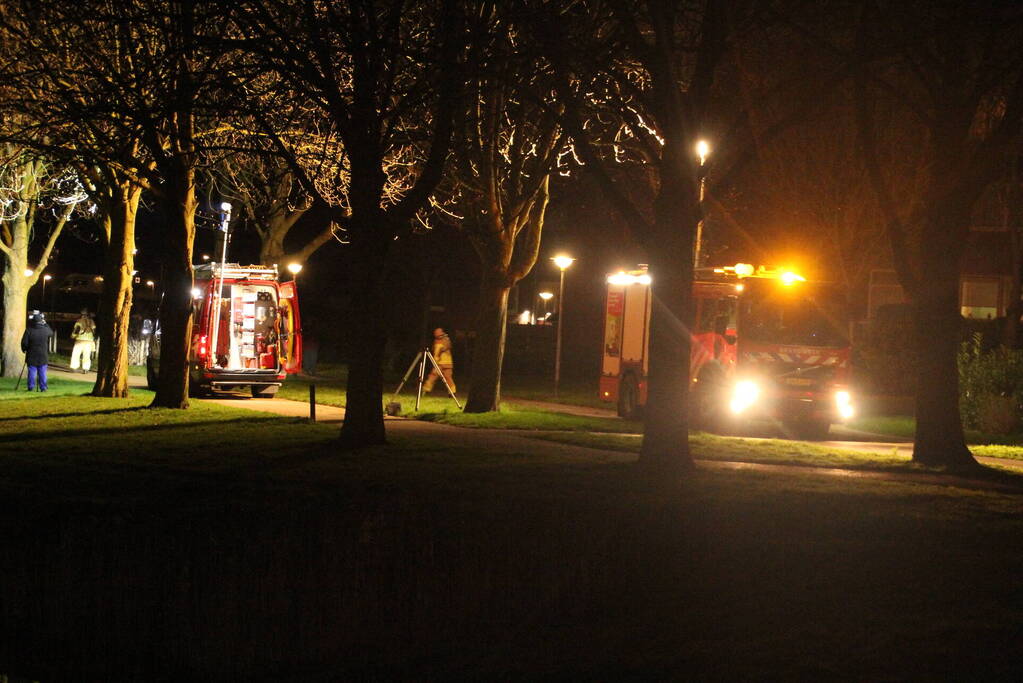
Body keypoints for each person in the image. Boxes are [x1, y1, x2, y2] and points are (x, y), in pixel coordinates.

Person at [21, 311, 54, 392]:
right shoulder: (45, 330)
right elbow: (51, 333)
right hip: (43, 355)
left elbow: (24, 342)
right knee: (42, 372)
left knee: (32, 371)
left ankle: (31, 387)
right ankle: (43, 387)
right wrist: (45, 323)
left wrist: (24, 349)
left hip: (31, 354)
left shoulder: (29, 330)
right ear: (41, 321)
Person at [422, 327, 456, 394]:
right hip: (438, 362)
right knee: (434, 376)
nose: (436, 334)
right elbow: (434, 350)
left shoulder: (445, 338)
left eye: (438, 332)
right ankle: (426, 389)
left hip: (445, 362)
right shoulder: (436, 340)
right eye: (435, 333)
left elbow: (448, 346)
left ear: (441, 332)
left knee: (446, 377)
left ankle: (452, 391)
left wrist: (443, 348)